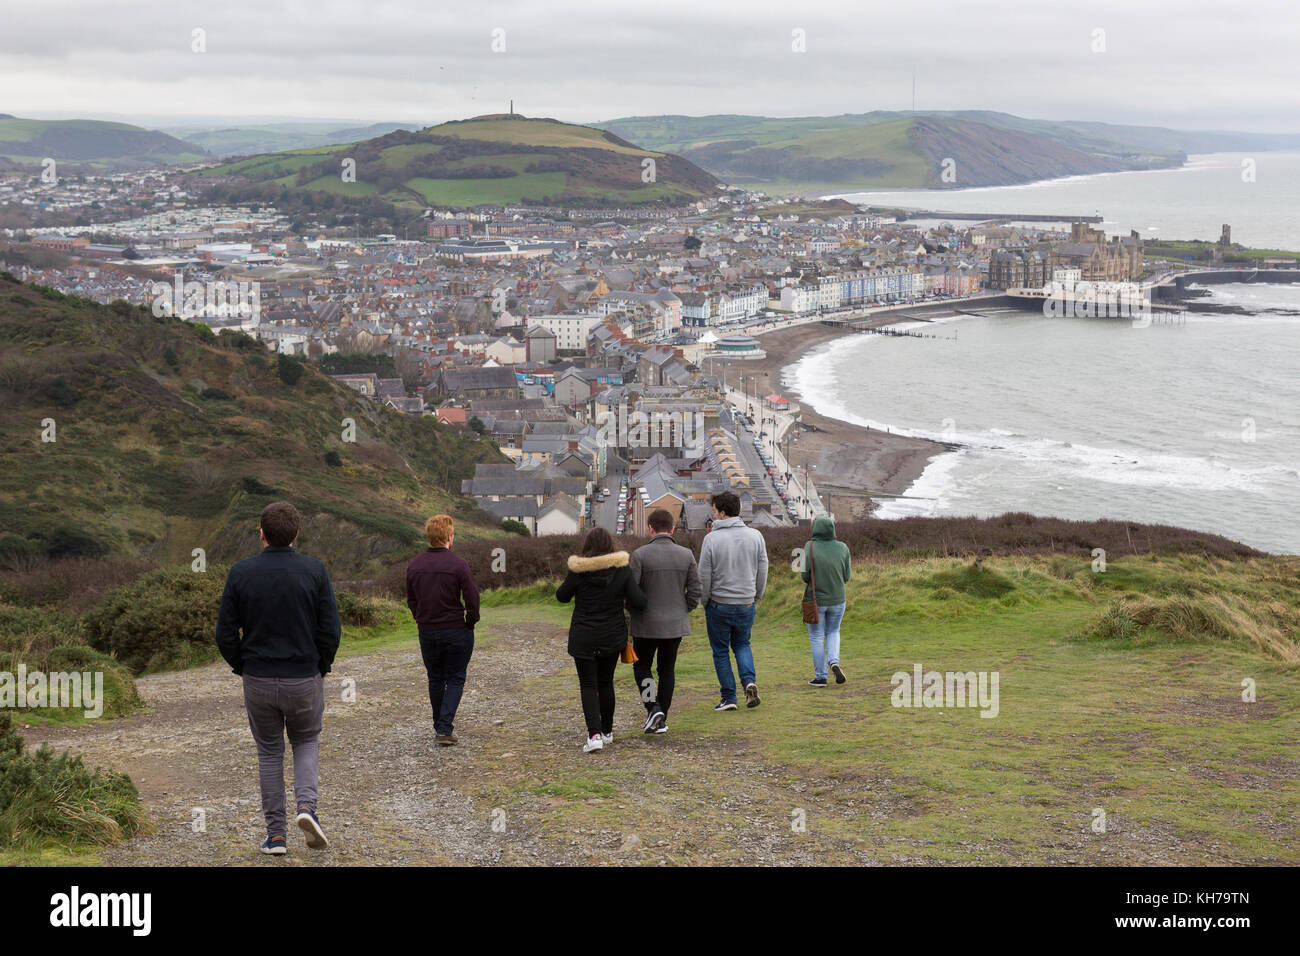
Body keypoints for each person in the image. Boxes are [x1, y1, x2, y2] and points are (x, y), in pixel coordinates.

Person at [216, 501, 341, 857]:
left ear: (262, 534)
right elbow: (330, 628)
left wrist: (242, 665)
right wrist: (322, 666)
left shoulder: (240, 573)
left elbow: (224, 632)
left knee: (269, 752)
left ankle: (276, 837)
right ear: (296, 534)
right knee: (306, 741)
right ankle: (307, 809)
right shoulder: (314, 570)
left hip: (258, 678)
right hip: (304, 676)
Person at [556, 527, 647, 752]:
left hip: (584, 636)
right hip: (612, 634)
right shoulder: (622, 570)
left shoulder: (578, 570)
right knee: (606, 682)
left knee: (588, 684)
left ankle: (593, 735)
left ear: (587, 547)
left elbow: (561, 596)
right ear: (610, 545)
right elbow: (639, 601)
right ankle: (606, 731)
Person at [406, 514, 480, 746]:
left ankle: (440, 725)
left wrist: (420, 619)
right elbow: (472, 598)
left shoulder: (414, 565)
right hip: (456, 629)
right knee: (456, 678)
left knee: (435, 678)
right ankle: (444, 728)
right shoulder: (458, 564)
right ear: (449, 536)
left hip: (427, 631)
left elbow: (411, 600)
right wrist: (470, 621)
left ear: (429, 536)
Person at [628, 508, 702, 735]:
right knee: (667, 670)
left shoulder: (639, 555)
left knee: (642, 667)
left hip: (645, 624)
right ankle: (661, 716)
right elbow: (696, 590)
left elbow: (631, 592)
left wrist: (633, 611)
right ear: (672, 529)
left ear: (650, 528)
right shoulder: (686, 554)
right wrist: (683, 610)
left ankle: (653, 708)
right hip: (675, 623)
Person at [698, 491, 768, 711]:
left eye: (715, 511)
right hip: (746, 603)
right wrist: (756, 596)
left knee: (720, 651)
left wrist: (705, 600)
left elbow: (704, 576)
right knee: (742, 645)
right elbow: (763, 569)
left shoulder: (711, 539)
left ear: (722, 512)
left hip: (719, 604)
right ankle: (748, 681)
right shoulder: (756, 536)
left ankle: (729, 697)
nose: (713, 515)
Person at [800, 515, 852, 686]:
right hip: (838, 599)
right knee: (834, 631)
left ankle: (821, 676)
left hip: (816, 601)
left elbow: (804, 575)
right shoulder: (843, 547)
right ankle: (834, 662)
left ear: (815, 529)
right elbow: (847, 576)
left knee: (816, 636)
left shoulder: (809, 547)